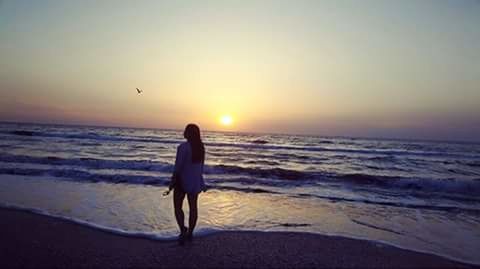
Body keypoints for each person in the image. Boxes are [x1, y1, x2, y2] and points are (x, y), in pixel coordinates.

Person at [168, 123, 206, 245]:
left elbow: (178, 167)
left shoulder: (183, 147)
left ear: (189, 133)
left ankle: (182, 230)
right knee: (193, 208)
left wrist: (172, 182)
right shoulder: (201, 148)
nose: (183, 132)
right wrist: (200, 181)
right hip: (195, 181)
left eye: (185, 130)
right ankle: (190, 233)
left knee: (178, 207)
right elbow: (201, 167)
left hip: (182, 181)